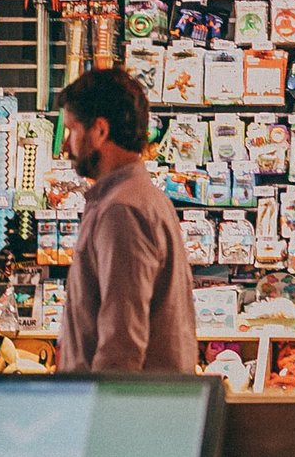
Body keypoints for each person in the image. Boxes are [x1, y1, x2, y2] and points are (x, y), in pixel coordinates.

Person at [59, 68, 197, 373]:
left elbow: (122, 341)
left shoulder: (121, 209)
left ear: (99, 131)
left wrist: (104, 416)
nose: (65, 146)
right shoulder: (139, 198)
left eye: (72, 131)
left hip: (123, 410)